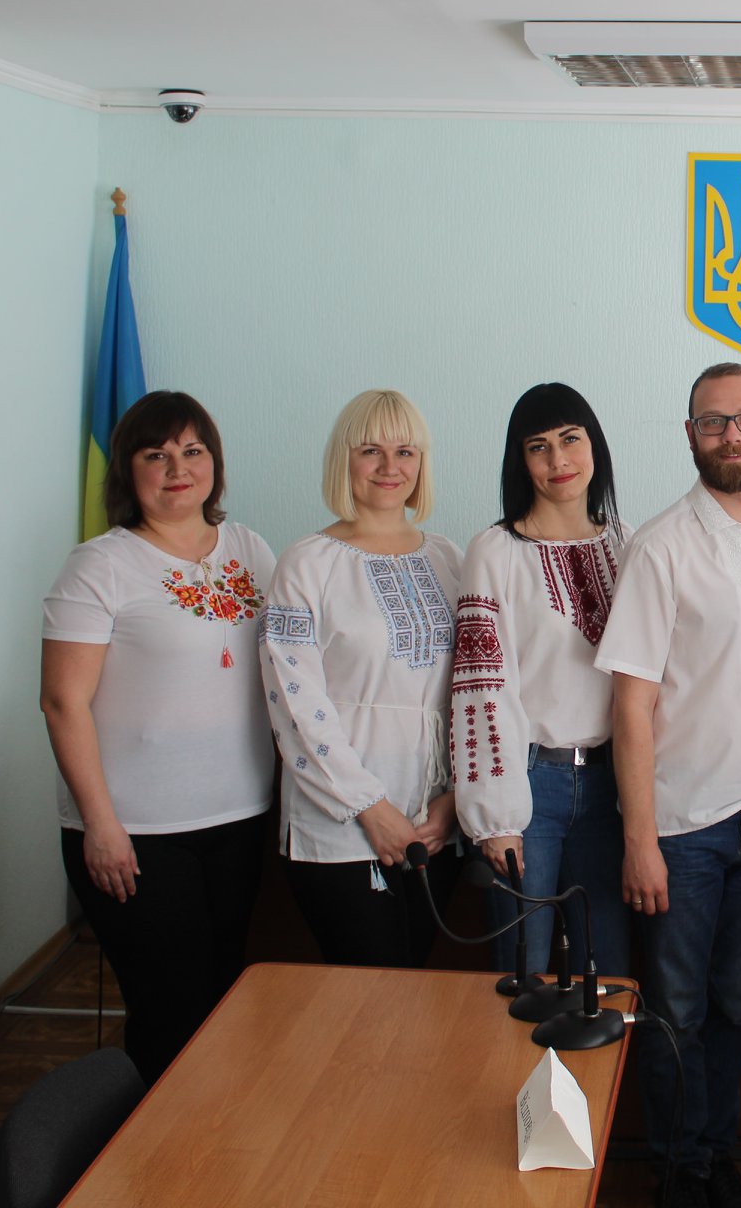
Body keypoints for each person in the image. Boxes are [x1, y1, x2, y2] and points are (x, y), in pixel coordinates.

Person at [594, 362, 741, 1208]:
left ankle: (714, 1154)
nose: (731, 436)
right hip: (683, 827)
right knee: (676, 1012)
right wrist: (640, 840)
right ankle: (679, 1172)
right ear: (690, 435)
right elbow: (631, 702)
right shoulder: (661, 546)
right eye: (712, 422)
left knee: (736, 1008)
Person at [40, 391, 274, 1083]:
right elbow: (62, 702)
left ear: (214, 463)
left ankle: (210, 1134)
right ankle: (148, 1140)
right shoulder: (99, 566)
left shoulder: (251, 549)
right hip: (136, 833)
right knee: (170, 1011)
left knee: (224, 997)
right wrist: (100, 824)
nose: (178, 469)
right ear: (128, 470)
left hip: (239, 817)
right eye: (157, 455)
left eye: (193, 451)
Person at [261, 389, 463, 968]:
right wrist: (372, 809)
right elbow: (294, 703)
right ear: (343, 460)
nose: (389, 466)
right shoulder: (307, 563)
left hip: (434, 824)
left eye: (405, 451)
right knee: (368, 995)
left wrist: (454, 802)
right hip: (343, 826)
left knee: (417, 988)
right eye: (370, 450)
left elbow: (472, 690)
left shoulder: (449, 558)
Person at [453, 383, 632, 980]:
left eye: (570, 439)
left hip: (612, 786)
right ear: (520, 460)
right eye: (539, 446)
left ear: (594, 446)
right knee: (523, 974)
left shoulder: (627, 543)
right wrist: (495, 818)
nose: (559, 460)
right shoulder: (496, 550)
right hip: (529, 787)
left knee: (608, 974)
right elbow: (481, 686)